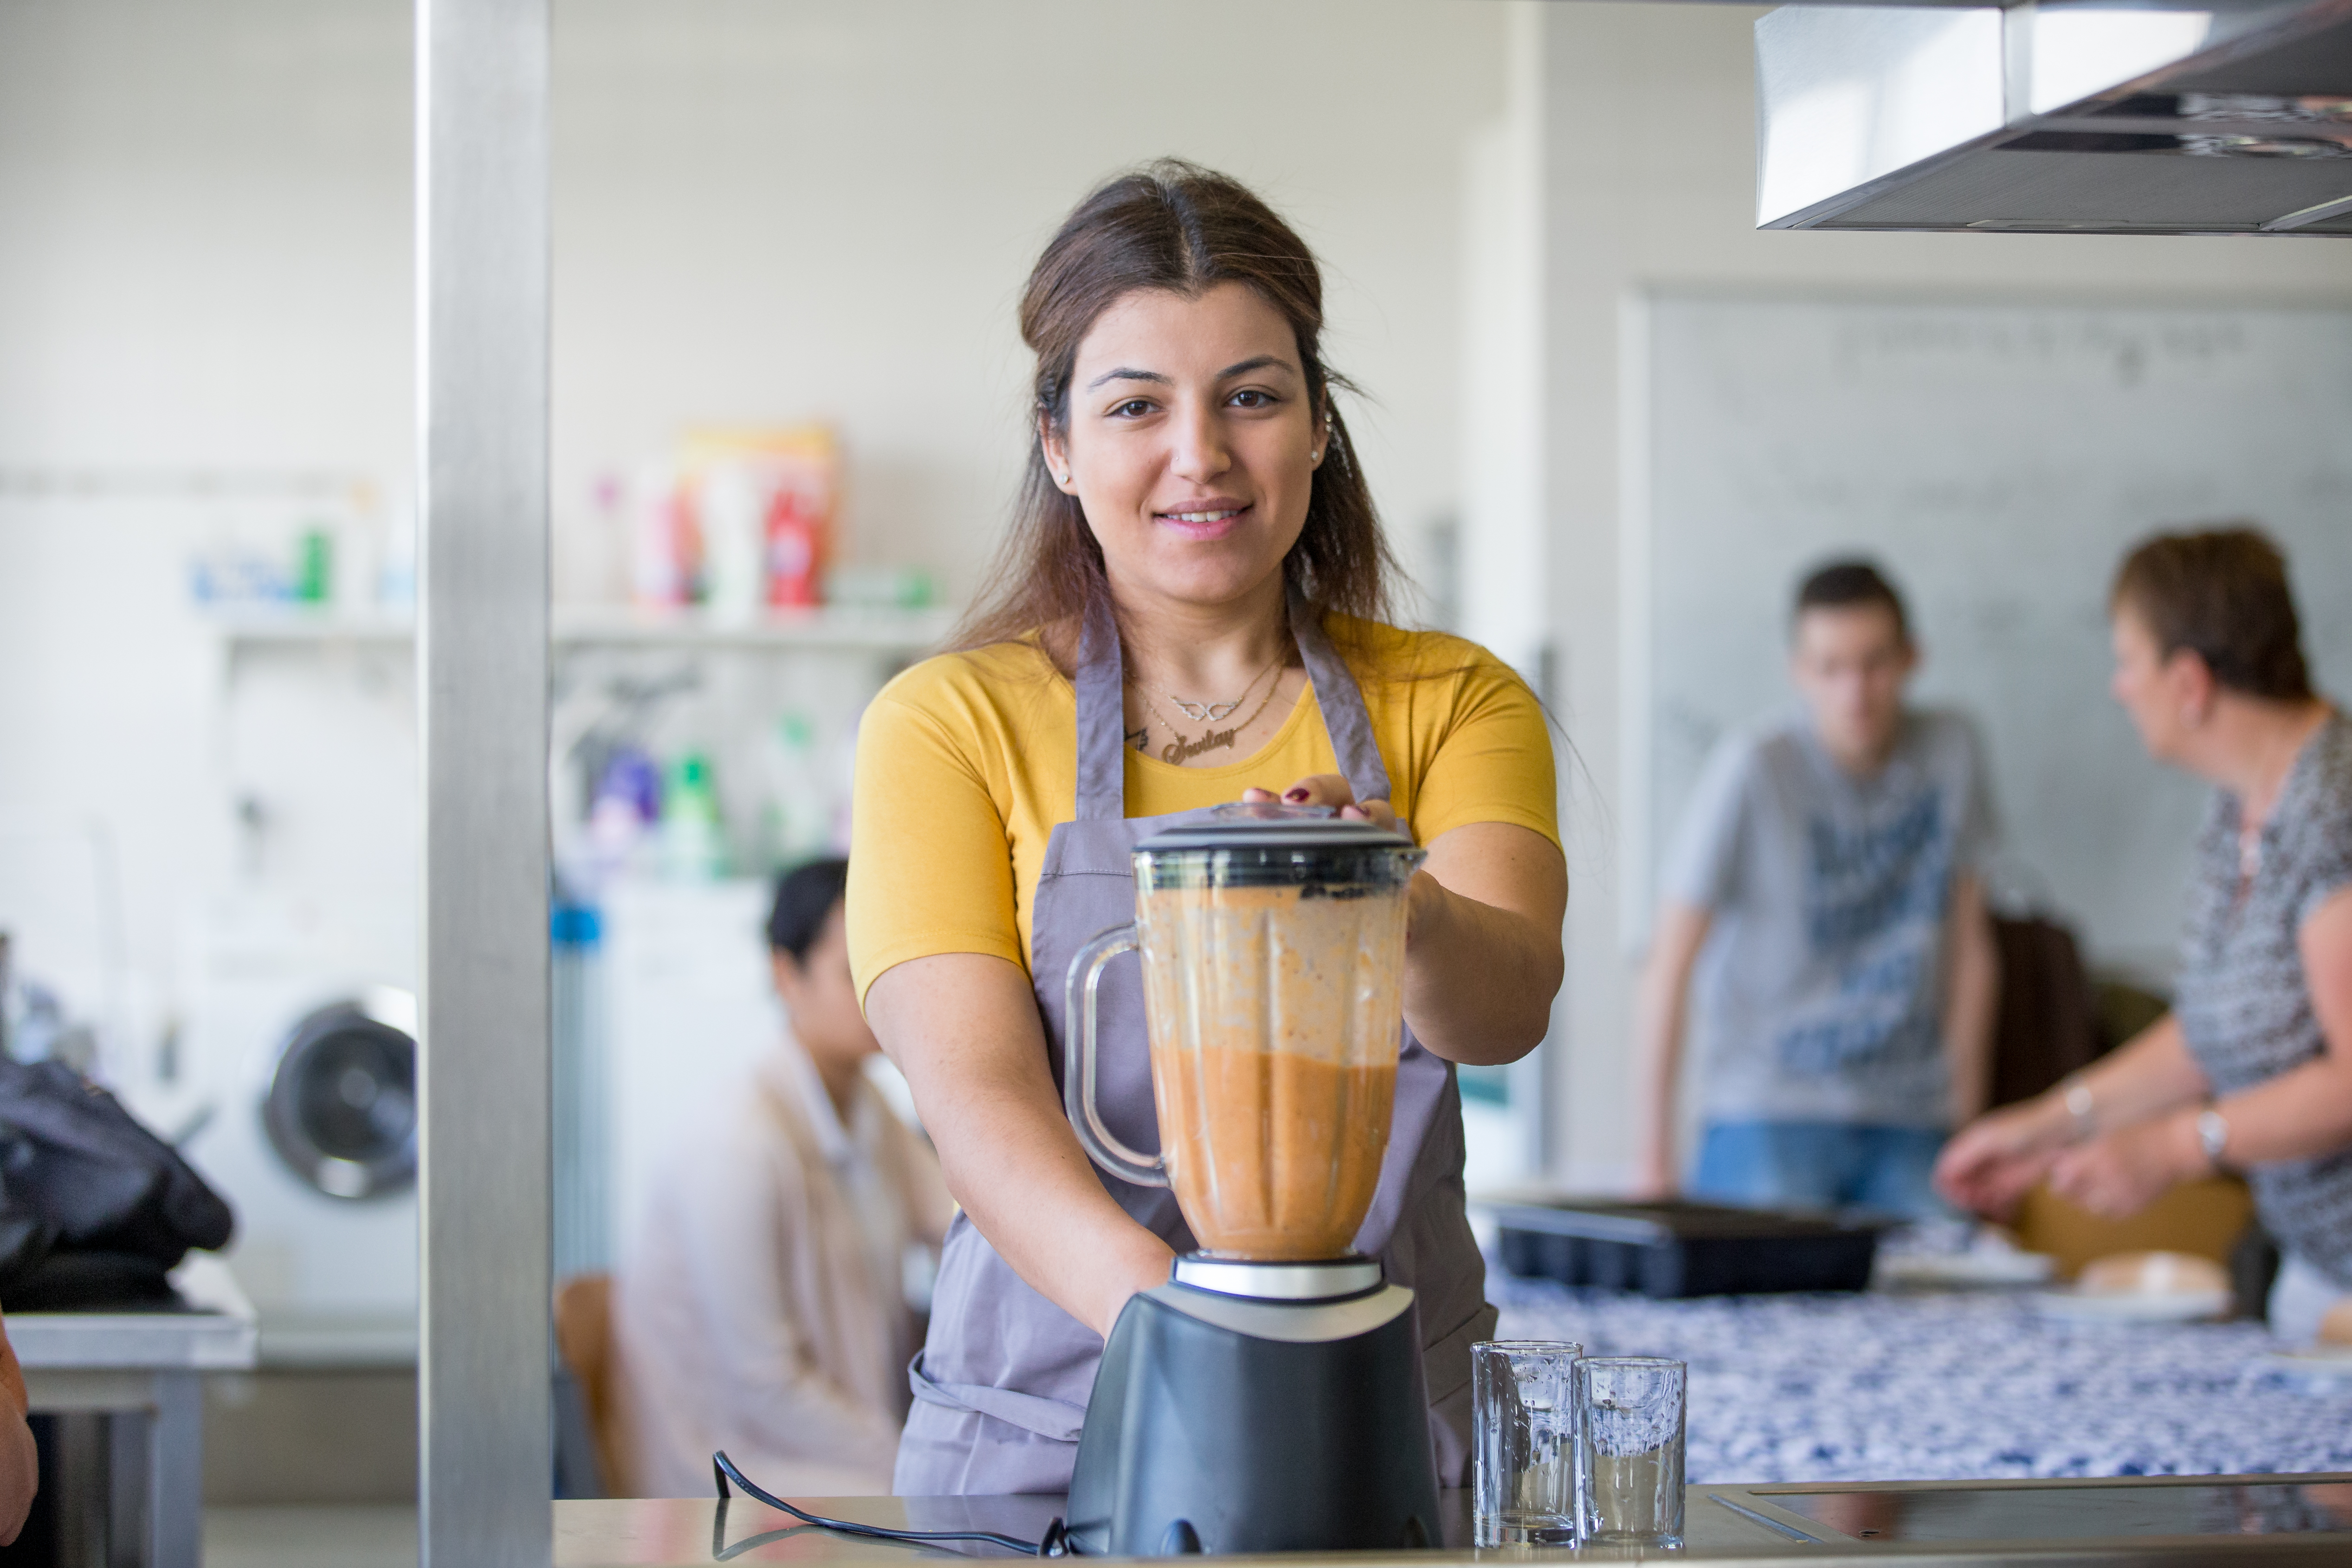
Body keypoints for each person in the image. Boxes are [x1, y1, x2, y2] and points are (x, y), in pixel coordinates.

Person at [848, 161, 1566, 1496]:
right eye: (1136, 407)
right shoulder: (946, 722)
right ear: (1059, 444)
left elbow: (1505, 1006)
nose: (1201, 455)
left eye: (1251, 395)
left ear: (1316, 429)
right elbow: (974, 1098)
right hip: (1045, 1445)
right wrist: (1202, 1339)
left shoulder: (1452, 699)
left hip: (1387, 1430)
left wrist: (1386, 896)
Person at [1938, 527, 2352, 1343]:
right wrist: (2049, 1123)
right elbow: (2215, 1033)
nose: (2120, 688)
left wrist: (2170, 1149)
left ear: (2190, 681)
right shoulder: (2236, 806)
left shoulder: (2333, 810)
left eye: (2130, 661)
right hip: (2321, 1269)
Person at [1632, 560, 2001, 1216]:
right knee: (1772, 1281)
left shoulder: (1953, 749)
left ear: (1912, 658)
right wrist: (1652, 1164)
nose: (1854, 691)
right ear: (1798, 670)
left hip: (1909, 1113)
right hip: (1768, 1106)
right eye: (1830, 668)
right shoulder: (1753, 768)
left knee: (1958, 1267)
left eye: (1875, 663)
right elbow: (1670, 962)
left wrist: (1964, 1126)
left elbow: (1971, 950)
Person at [613, 858, 953, 1497]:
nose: (884, 992)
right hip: (739, 1468)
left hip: (837, 1443)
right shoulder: (737, 1144)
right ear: (784, 976)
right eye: (853, 973)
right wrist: (911, 1455)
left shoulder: (867, 1106)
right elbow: (765, 1384)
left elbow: (961, 1228)